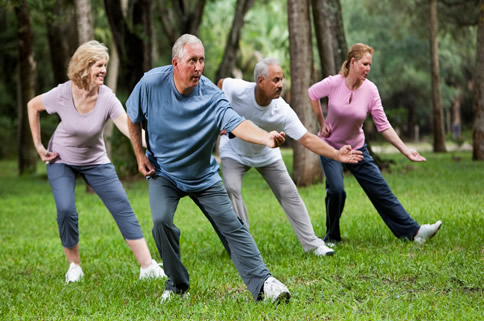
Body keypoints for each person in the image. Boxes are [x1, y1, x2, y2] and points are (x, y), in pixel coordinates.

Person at [126, 34, 291, 303]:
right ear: (176, 63)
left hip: (202, 176)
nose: (199, 67)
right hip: (164, 172)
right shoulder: (151, 83)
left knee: (233, 226)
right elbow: (133, 117)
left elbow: (238, 123)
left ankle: (265, 284)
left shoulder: (212, 97)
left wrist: (265, 137)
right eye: (193, 61)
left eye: (202, 60)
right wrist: (138, 154)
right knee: (160, 222)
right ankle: (177, 284)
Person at [27, 40, 166, 283]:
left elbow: (127, 126)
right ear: (84, 67)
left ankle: (147, 266)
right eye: (98, 65)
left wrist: (156, 142)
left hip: (95, 160)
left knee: (122, 206)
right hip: (61, 158)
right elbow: (33, 106)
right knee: (66, 209)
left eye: (105, 65)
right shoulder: (63, 92)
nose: (103, 70)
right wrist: (38, 146)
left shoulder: (107, 98)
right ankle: (74, 266)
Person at [217, 58, 363, 257]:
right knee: (232, 188)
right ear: (260, 81)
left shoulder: (282, 110)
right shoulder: (239, 89)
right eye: (276, 80)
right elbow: (221, 84)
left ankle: (313, 244)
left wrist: (336, 153)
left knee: (290, 194)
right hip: (234, 151)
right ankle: (243, 245)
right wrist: (222, 116)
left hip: (267, 154)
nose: (281, 85)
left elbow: (307, 139)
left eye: (282, 80)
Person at [308, 43, 442, 244]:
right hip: (331, 147)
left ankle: (414, 233)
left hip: (357, 148)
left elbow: (383, 125)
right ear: (352, 62)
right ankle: (332, 237)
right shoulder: (334, 83)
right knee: (336, 190)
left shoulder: (370, 90)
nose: (368, 69)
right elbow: (312, 93)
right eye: (364, 64)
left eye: (370, 65)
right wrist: (321, 121)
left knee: (381, 190)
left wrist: (405, 150)